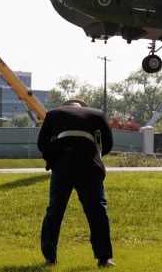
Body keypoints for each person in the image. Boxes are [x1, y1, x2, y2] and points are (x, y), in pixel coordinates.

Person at [37, 99, 115, 267]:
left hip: (62, 164)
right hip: (88, 163)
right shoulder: (97, 114)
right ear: (83, 108)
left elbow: (41, 144)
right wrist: (94, 154)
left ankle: (50, 258)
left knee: (55, 209)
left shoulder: (53, 114)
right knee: (97, 210)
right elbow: (108, 144)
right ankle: (104, 258)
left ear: (65, 107)